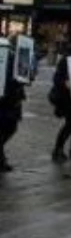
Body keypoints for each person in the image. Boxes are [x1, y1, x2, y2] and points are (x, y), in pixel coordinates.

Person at [0, 37, 27, 172]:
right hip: (6, 100)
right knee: (6, 128)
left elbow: (19, 77)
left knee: (10, 128)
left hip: (11, 99)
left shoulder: (12, 57)